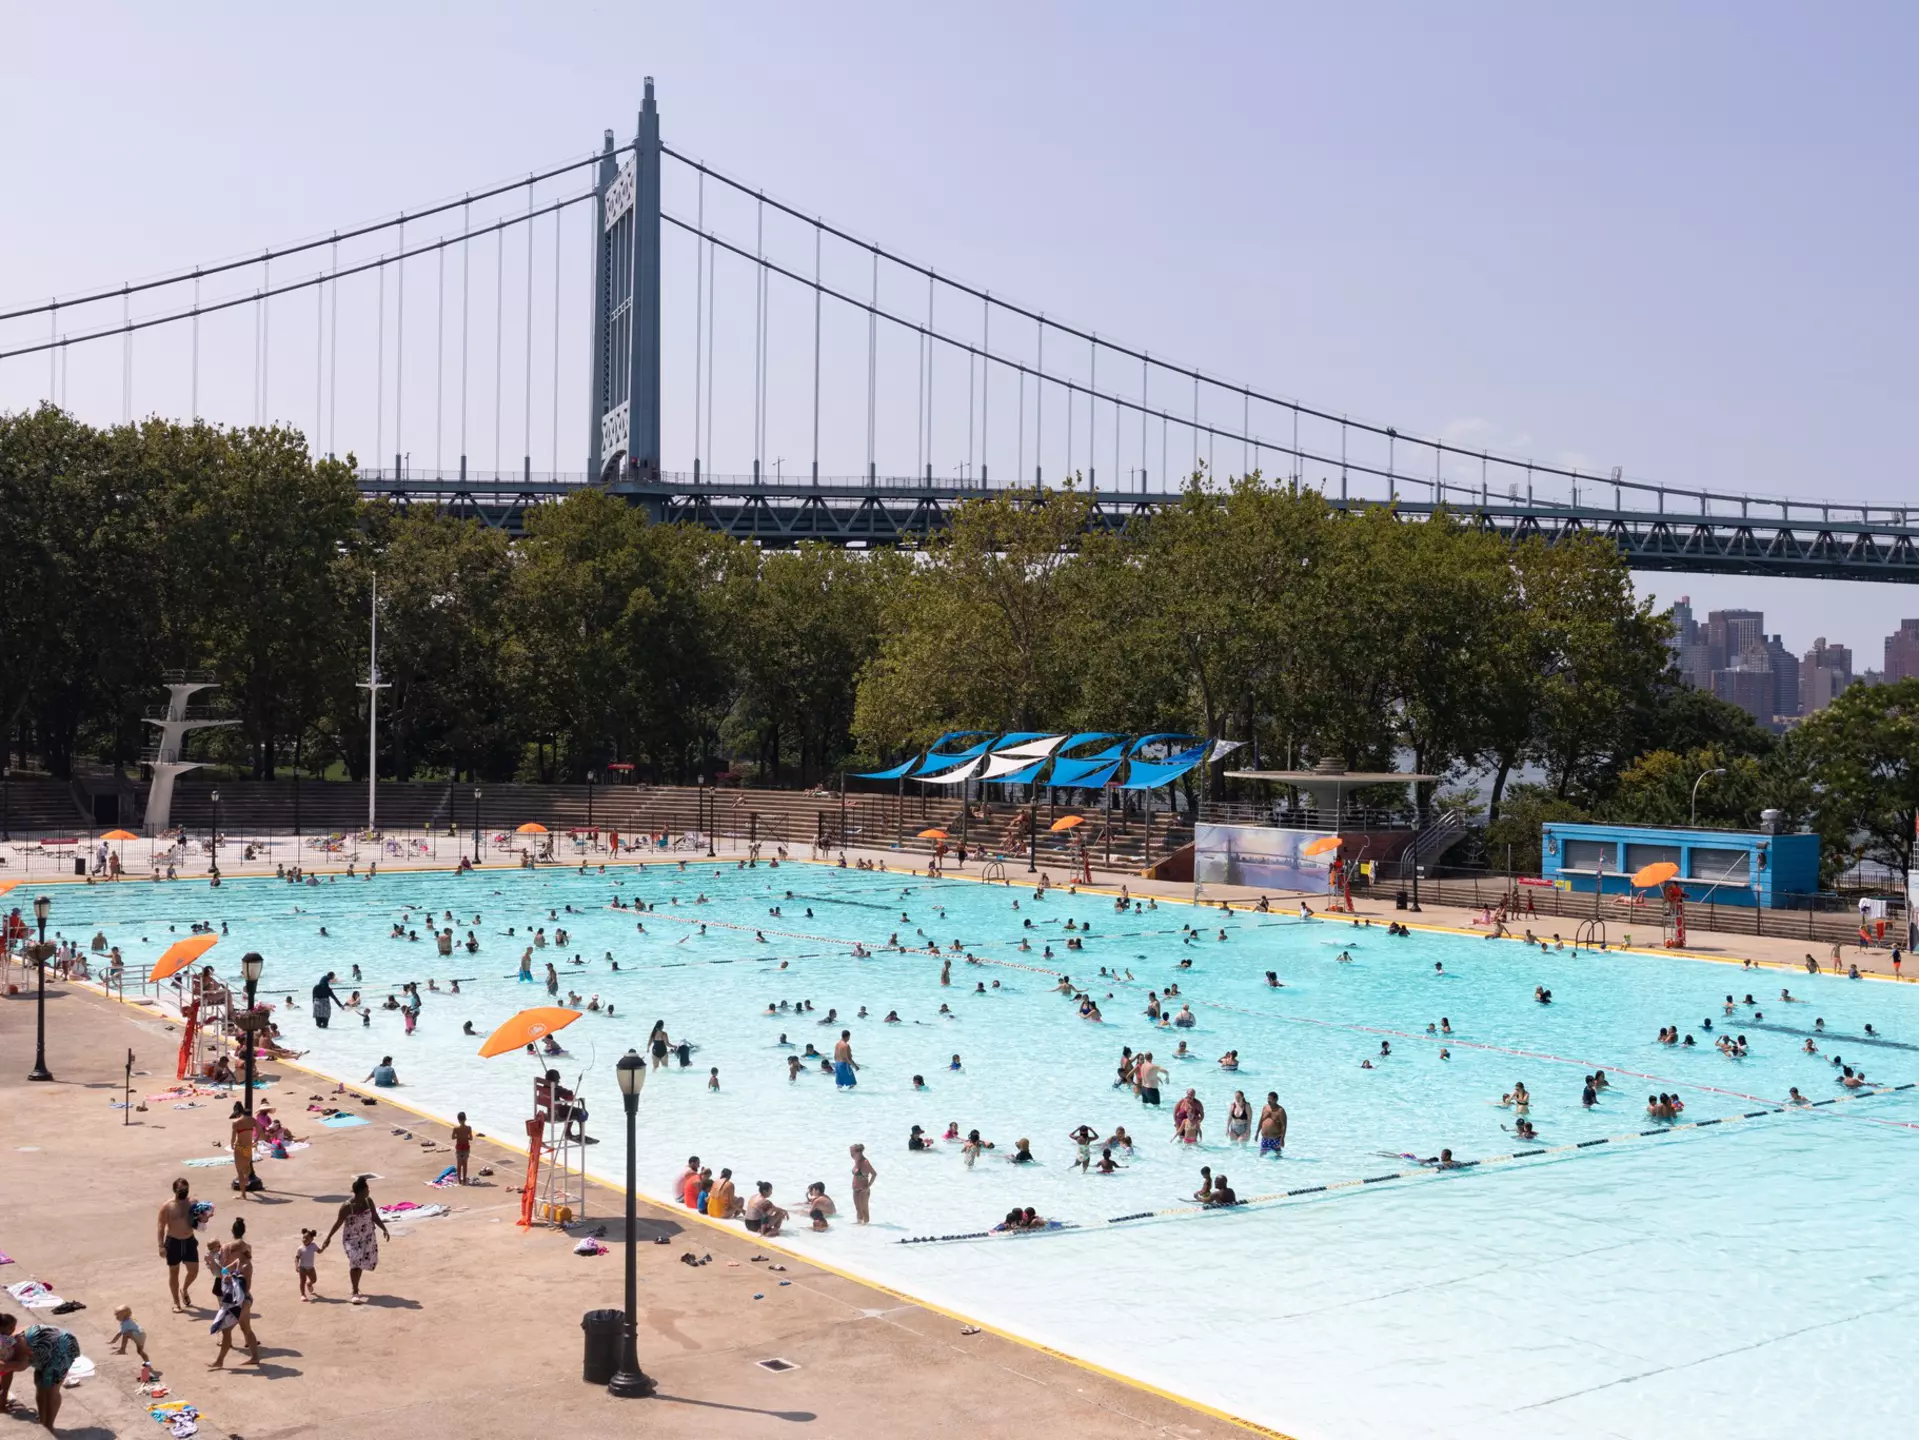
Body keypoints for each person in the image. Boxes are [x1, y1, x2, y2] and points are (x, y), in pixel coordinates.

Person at [0, 1313, 81, 1432]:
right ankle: (43, 1420)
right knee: (40, 1384)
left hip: (60, 1345)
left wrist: (9, 1366)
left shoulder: (11, 1342)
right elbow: (7, 1373)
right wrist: (4, 1394)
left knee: (50, 1389)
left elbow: (21, 1364)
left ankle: (49, 1426)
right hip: (40, 1348)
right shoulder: (5, 1342)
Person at [320, 1175, 391, 1303]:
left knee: (361, 1263)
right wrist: (328, 1238)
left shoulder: (369, 1201)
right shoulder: (347, 1206)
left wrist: (384, 1229)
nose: (369, 1191)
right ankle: (355, 1290)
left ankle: (356, 1287)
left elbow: (374, 1217)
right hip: (351, 1239)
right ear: (361, 1190)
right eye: (367, 1189)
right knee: (356, 1261)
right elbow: (338, 1223)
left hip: (367, 1237)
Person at [209, 1216, 262, 1367]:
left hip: (238, 1301)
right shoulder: (247, 1262)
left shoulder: (236, 1261)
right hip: (245, 1300)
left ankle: (220, 1361)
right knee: (246, 1329)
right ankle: (254, 1357)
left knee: (226, 1329)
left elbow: (224, 1273)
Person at [158, 1176, 202, 1311]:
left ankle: (185, 1289)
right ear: (175, 1190)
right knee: (174, 1272)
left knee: (193, 1271)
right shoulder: (168, 1206)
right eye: (181, 1190)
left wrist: (204, 1217)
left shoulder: (193, 1202)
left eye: (186, 1189)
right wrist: (161, 1246)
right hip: (173, 1242)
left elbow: (199, 1219)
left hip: (189, 1240)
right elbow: (161, 1225)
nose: (184, 1192)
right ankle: (176, 1303)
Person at [230, 1101, 259, 1196]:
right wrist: (256, 1141)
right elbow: (260, 1131)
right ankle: (246, 1180)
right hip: (248, 1147)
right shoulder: (252, 1120)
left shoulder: (236, 1122)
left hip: (239, 1147)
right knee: (246, 1168)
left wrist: (231, 1145)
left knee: (239, 1171)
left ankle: (243, 1194)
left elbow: (233, 1137)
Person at [850, 1143, 876, 1224]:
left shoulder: (865, 1162)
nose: (851, 1155)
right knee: (858, 1209)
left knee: (864, 1211)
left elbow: (874, 1174)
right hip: (855, 1190)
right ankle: (859, 1228)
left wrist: (868, 1187)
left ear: (858, 1153)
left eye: (852, 1153)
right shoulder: (856, 1160)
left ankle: (866, 1229)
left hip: (863, 1191)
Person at [1257, 1093, 1287, 1157]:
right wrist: (1257, 1133)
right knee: (1261, 1157)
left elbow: (1284, 1125)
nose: (1268, 1100)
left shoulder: (1280, 1110)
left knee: (1278, 1158)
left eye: (1270, 1099)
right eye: (1268, 1098)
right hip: (1265, 1138)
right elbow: (1261, 1120)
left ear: (1276, 1099)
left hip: (1275, 1139)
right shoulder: (1265, 1107)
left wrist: (1282, 1139)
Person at [296, 1228, 321, 1300]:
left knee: (314, 1280)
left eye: (307, 1238)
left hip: (311, 1267)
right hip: (302, 1267)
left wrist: (324, 1247)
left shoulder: (313, 1246)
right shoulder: (300, 1248)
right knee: (302, 1281)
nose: (304, 1239)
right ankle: (303, 1295)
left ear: (312, 1239)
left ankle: (309, 1284)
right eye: (303, 1238)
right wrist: (296, 1266)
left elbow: (319, 1251)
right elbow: (297, 1258)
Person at [451, 1112, 474, 1184]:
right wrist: (465, 1137)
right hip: (466, 1147)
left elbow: (452, 1137)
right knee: (465, 1164)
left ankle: (459, 1180)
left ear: (458, 1120)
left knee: (459, 1164)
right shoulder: (468, 1128)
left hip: (459, 1147)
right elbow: (471, 1138)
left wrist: (459, 1136)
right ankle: (464, 1179)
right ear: (465, 1119)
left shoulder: (456, 1128)